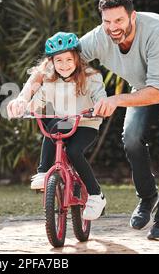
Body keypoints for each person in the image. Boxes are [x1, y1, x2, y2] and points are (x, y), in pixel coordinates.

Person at [8, 0, 159, 240]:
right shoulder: (99, 37)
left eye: (119, 21)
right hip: (145, 84)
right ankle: (148, 198)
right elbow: (54, 64)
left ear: (132, 17)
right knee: (131, 137)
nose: (113, 27)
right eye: (107, 21)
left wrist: (114, 100)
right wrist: (23, 97)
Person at [26, 32, 107, 220]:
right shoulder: (50, 80)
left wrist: (99, 107)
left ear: (77, 59)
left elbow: (100, 97)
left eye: (69, 60)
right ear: (51, 62)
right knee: (51, 127)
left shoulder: (91, 77)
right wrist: (26, 107)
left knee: (74, 151)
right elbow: (38, 101)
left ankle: (96, 195)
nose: (64, 65)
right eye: (59, 61)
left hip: (86, 123)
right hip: (64, 123)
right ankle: (43, 172)